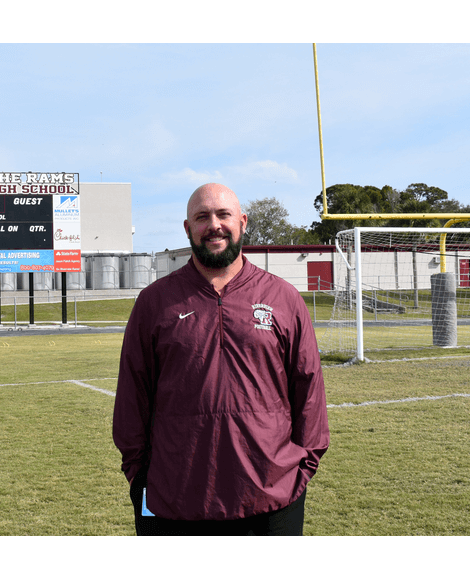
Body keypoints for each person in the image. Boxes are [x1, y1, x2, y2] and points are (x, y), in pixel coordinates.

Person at [113, 183, 330, 536]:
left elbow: (308, 389)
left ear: (242, 222)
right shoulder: (155, 303)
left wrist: (300, 470)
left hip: (272, 497)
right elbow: (132, 397)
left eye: (223, 214)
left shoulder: (283, 298)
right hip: (174, 499)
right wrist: (139, 476)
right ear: (188, 229)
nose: (213, 225)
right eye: (202, 217)